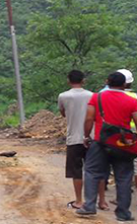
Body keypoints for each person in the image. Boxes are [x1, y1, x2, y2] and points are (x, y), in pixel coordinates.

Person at [76, 71, 137, 221]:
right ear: (124, 85)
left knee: (91, 172)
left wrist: (86, 136)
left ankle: (89, 206)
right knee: (123, 178)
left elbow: (89, 118)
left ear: (106, 81)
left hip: (100, 142)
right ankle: (123, 213)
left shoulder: (97, 97)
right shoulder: (131, 101)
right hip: (122, 144)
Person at [58, 70, 96, 210]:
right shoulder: (93, 95)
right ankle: (93, 201)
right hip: (91, 137)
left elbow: (63, 113)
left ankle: (79, 201)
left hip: (73, 138)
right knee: (92, 170)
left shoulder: (63, 96)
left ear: (68, 81)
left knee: (76, 170)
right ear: (83, 80)